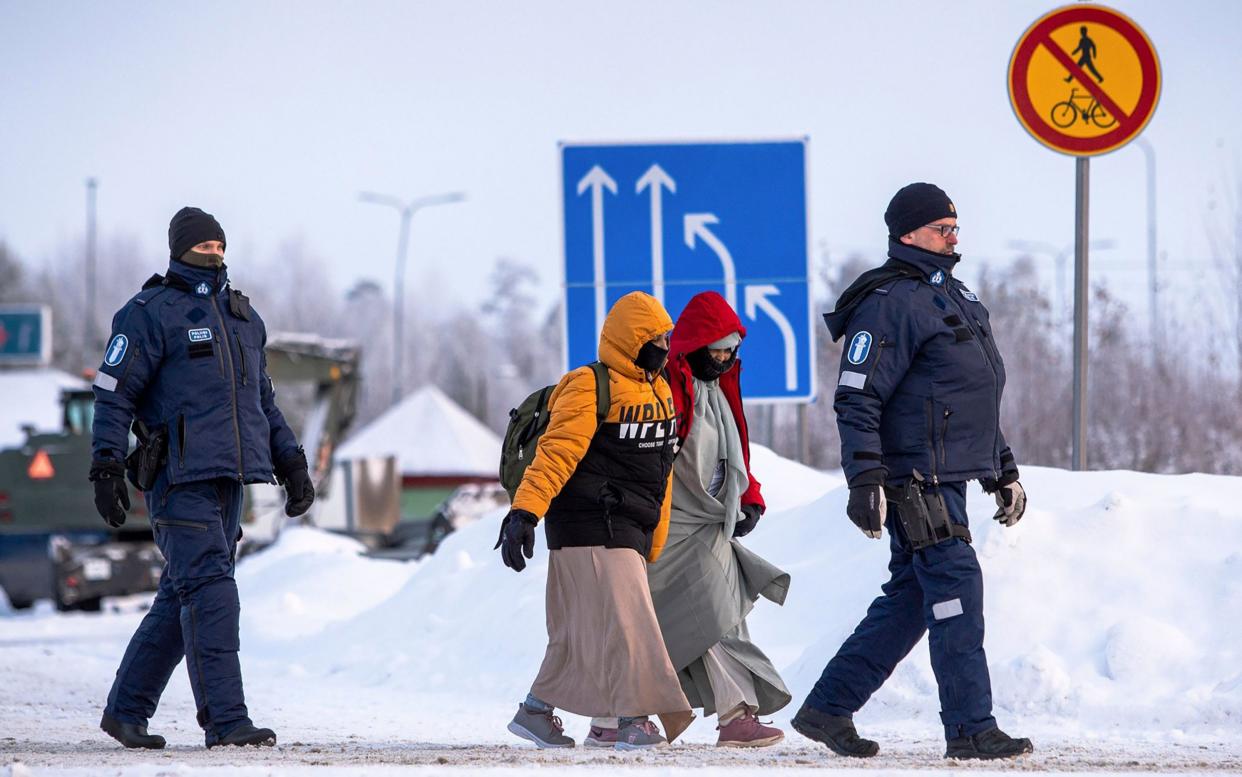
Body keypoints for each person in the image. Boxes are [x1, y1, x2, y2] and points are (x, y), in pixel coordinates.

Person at [790, 183, 1033, 760]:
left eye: (956, 227)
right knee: (955, 585)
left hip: (948, 473)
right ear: (908, 233)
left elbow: (970, 396)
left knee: (909, 599)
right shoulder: (890, 302)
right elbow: (856, 396)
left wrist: (1003, 470)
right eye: (942, 228)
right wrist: (866, 480)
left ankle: (828, 706)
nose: (955, 237)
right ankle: (971, 729)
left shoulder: (954, 296)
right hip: (914, 477)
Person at [90, 206, 314, 749]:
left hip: (230, 479)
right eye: (203, 245)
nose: (214, 253)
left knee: (181, 595)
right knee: (212, 591)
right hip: (177, 478)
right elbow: (113, 394)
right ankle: (227, 721)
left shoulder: (243, 317)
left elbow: (262, 402)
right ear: (179, 249)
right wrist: (106, 463)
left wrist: (292, 463)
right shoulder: (149, 313)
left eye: (220, 245)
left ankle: (126, 712)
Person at [495, 291, 694, 751]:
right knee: (630, 626)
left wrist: (655, 538)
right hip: (589, 523)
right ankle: (632, 719)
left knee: (584, 634)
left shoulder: (659, 389)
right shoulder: (588, 384)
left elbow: (661, 473)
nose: (665, 346)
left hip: (629, 527)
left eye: (668, 337)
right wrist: (524, 513)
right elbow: (556, 454)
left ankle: (539, 712)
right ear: (632, 340)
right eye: (656, 338)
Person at [643, 290, 792, 748]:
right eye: (717, 350)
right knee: (706, 615)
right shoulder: (667, 387)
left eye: (731, 351)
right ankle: (733, 716)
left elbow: (734, 455)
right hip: (671, 527)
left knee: (713, 618)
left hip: (713, 525)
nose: (725, 359)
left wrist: (750, 497)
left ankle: (625, 714)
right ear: (694, 346)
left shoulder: (719, 390)